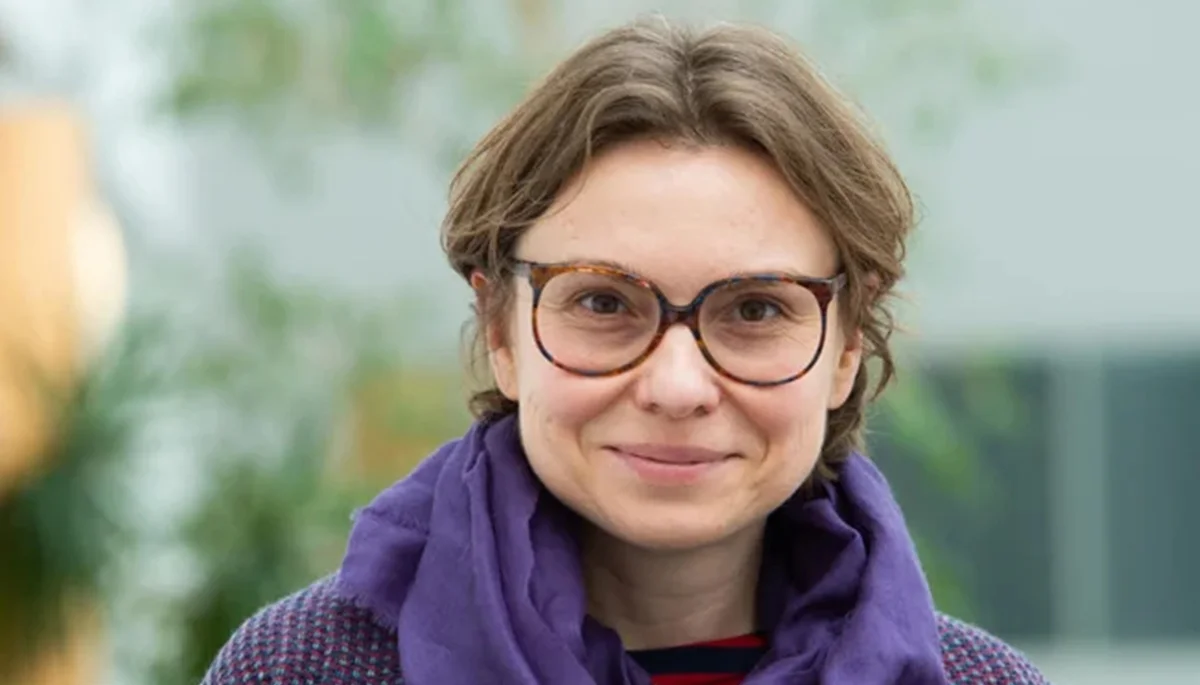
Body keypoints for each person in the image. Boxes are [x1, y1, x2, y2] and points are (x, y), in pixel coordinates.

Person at [202, 17, 1049, 685]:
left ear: (846, 347)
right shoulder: (302, 669)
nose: (677, 385)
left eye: (756, 309)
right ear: (499, 330)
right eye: (604, 302)